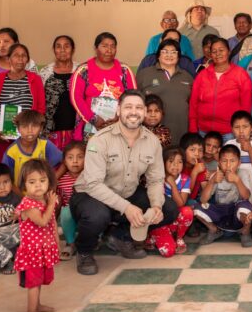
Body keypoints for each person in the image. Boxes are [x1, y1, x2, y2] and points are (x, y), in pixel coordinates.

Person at [70, 90, 180, 274]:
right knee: (98, 215)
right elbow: (93, 185)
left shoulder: (152, 141)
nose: (133, 112)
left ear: (144, 112)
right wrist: (127, 208)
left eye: (139, 108)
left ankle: (119, 237)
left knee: (169, 209)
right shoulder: (100, 140)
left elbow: (155, 180)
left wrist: (156, 206)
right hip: (91, 195)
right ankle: (84, 251)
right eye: (128, 107)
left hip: (126, 192)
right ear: (119, 110)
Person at [15, 159, 60, 312]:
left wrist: (56, 243)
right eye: (32, 182)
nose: (38, 185)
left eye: (42, 180)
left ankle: (37, 306)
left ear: (49, 181)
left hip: (42, 249)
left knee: (39, 280)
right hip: (31, 252)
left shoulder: (44, 200)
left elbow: (52, 223)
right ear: (24, 185)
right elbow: (42, 221)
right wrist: (51, 205)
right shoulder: (29, 205)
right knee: (33, 283)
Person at [70, 32, 137, 140]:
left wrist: (119, 115)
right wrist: (93, 119)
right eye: (104, 46)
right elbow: (76, 98)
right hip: (89, 126)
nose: (109, 50)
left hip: (119, 125)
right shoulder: (84, 70)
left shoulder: (125, 70)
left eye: (112, 46)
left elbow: (133, 97)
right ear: (96, 48)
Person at [0, 43, 46, 163]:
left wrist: (32, 132)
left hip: (27, 138)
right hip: (1, 137)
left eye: (23, 55)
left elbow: (41, 109)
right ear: (8, 59)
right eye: (16, 55)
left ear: (28, 60)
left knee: (26, 170)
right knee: (3, 170)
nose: (20, 59)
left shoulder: (35, 79)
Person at [189, 37, 252, 138]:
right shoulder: (202, 75)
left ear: (229, 51)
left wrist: (242, 130)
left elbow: (246, 106)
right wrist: (193, 128)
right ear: (211, 55)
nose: (218, 54)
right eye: (214, 51)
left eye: (221, 50)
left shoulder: (241, 74)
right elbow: (193, 103)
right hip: (204, 131)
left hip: (230, 132)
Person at [195, 144, 252, 246]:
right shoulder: (216, 175)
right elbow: (203, 199)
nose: (228, 165)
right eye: (224, 161)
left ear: (239, 163)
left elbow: (246, 196)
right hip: (221, 212)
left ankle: (245, 232)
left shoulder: (243, 173)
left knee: (246, 205)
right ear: (219, 162)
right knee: (197, 208)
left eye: (232, 161)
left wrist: (237, 181)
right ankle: (214, 230)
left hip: (237, 214)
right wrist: (212, 181)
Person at [137, 38, 194, 146]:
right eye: (165, 51)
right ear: (158, 55)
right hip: (151, 135)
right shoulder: (144, 75)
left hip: (181, 131)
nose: (169, 55)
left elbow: (193, 104)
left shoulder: (187, 77)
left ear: (179, 56)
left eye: (173, 52)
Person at [2, 110, 63, 186]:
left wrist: (52, 181)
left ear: (41, 128)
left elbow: (64, 161)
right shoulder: (11, 152)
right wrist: (20, 194)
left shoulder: (45, 144)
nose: (30, 131)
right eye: (25, 127)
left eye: (34, 126)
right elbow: (6, 179)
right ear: (18, 129)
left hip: (42, 191)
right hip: (20, 192)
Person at [39, 35, 79, 150]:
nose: (62, 50)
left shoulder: (81, 70)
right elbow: (40, 101)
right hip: (51, 130)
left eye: (66, 46)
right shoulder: (45, 73)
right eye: (58, 46)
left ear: (73, 49)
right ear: (54, 50)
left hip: (76, 129)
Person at [161, 147, 195, 255]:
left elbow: (180, 203)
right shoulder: (158, 178)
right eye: (171, 161)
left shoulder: (185, 179)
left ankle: (178, 237)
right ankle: (153, 236)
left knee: (187, 211)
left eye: (179, 162)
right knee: (168, 252)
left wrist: (173, 184)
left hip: (175, 219)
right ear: (163, 163)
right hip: (160, 220)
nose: (175, 165)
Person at [56, 141, 85, 258]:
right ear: (64, 162)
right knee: (65, 211)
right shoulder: (61, 181)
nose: (75, 161)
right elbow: (59, 203)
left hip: (87, 214)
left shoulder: (90, 177)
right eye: (70, 158)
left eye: (80, 157)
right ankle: (70, 243)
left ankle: (93, 239)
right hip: (69, 218)